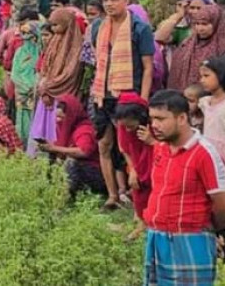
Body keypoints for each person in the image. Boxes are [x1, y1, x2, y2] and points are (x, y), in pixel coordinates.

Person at [143, 90, 225, 286]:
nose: (154, 125)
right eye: (152, 119)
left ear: (181, 118)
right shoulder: (160, 148)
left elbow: (221, 202)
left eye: (161, 119)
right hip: (157, 236)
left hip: (190, 239)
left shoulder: (203, 153)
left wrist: (215, 231)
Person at [90, 0, 155, 210]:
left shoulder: (140, 28)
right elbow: (98, 61)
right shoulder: (98, 26)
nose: (109, 4)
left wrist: (143, 101)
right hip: (102, 93)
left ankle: (139, 193)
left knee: (131, 145)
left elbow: (148, 67)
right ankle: (112, 195)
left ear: (126, 0)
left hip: (129, 95)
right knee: (104, 143)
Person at [29, 8, 84, 155]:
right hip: (47, 94)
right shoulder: (54, 41)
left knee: (60, 133)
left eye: (56, 25)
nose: (53, 29)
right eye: (51, 25)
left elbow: (70, 73)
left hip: (62, 96)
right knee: (43, 136)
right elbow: (45, 66)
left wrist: (48, 87)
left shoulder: (76, 46)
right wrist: (43, 87)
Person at [37, 94, 105, 201]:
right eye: (56, 117)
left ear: (71, 115)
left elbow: (84, 151)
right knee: (45, 157)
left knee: (71, 162)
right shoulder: (63, 129)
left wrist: (54, 148)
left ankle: (66, 197)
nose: (58, 120)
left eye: (61, 117)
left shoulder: (84, 130)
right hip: (76, 172)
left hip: (93, 174)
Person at [112, 92, 154, 240]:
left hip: (154, 161)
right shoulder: (123, 126)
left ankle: (148, 225)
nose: (128, 130)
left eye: (131, 126)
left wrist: (151, 141)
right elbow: (124, 149)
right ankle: (141, 223)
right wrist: (133, 170)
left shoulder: (153, 125)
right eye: (125, 126)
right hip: (137, 162)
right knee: (137, 188)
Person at [167, 4, 225, 90]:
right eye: (197, 23)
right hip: (184, 94)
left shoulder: (221, 47)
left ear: (216, 23)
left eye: (205, 24)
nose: (200, 28)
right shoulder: (187, 44)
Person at [11, 21, 40, 146]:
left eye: (29, 33)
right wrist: (25, 87)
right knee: (22, 120)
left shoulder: (40, 51)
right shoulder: (19, 52)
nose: (26, 37)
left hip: (37, 92)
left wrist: (35, 87)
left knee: (36, 119)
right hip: (22, 92)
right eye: (23, 33)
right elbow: (14, 74)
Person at [199, 56, 225, 157]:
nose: (202, 80)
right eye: (201, 76)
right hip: (209, 154)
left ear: (221, 75)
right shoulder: (205, 103)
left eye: (206, 76)